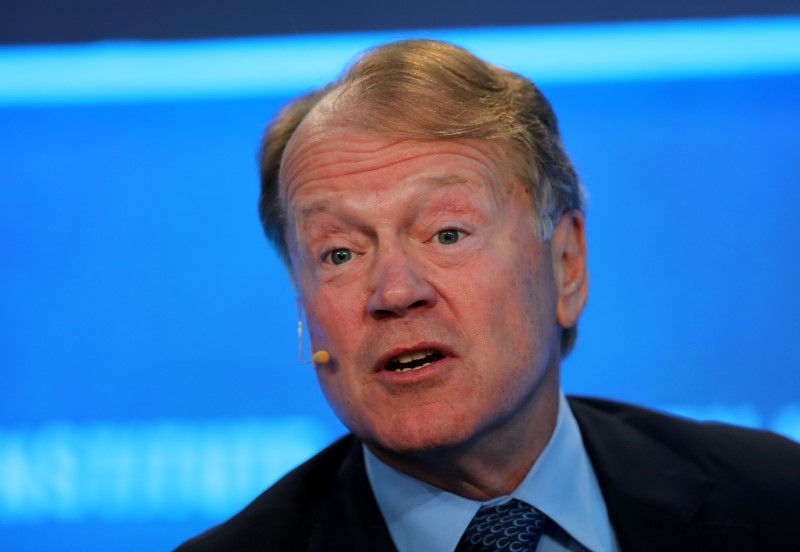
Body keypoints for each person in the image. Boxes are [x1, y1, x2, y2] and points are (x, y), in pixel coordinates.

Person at [177, 39, 800, 551]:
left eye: (447, 233)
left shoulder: (775, 498)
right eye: (339, 253)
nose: (395, 291)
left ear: (566, 265)